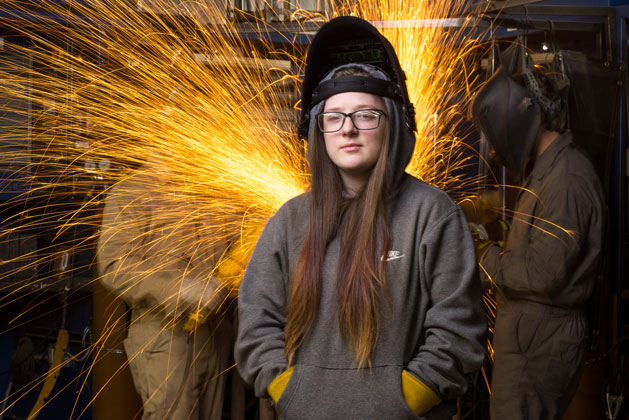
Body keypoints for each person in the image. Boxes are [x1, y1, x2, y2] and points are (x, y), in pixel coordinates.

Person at [235, 16, 487, 420]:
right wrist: (290, 391)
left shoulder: (432, 214)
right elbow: (256, 323)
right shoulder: (290, 221)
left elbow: (459, 331)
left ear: (392, 124)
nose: (348, 130)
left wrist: (404, 400)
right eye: (334, 117)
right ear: (318, 130)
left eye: (365, 115)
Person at [468, 65, 605, 420]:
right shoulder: (546, 171)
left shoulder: (567, 179)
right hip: (531, 335)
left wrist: (483, 256)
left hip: (541, 342)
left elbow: (543, 272)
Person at [97, 151, 232, 419]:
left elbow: (236, 242)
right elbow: (113, 266)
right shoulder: (133, 191)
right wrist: (177, 289)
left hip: (213, 336)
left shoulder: (209, 190)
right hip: (165, 339)